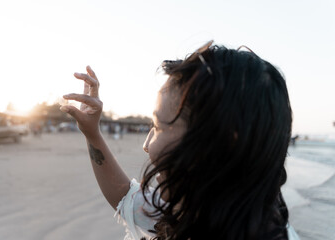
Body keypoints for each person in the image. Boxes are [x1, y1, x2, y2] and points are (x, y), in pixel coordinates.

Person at [60, 41, 300, 240]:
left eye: (158, 127)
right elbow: (126, 199)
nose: (146, 145)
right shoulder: (196, 209)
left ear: (219, 143)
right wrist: (92, 134)